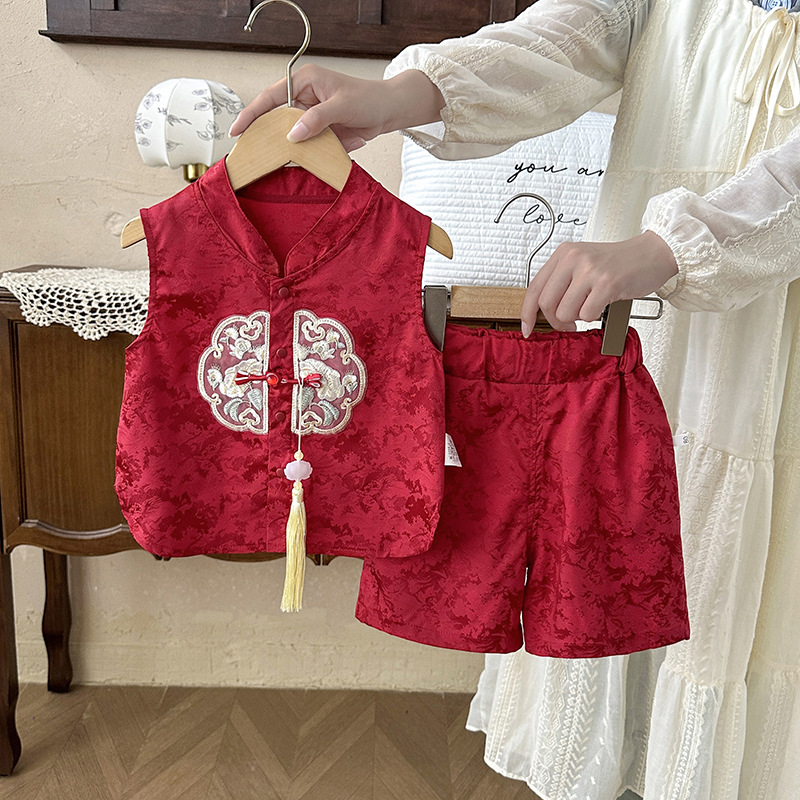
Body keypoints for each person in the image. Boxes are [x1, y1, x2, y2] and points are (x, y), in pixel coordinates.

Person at [230, 1, 800, 797]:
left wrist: (674, 245)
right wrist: (400, 96)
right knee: (631, 559)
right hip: (637, 328)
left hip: (759, 313)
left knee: (757, 587)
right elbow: (572, 32)